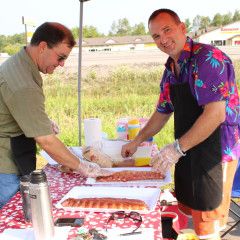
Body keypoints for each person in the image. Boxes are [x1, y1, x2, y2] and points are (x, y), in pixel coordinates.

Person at [121, 9, 239, 240]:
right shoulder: (171, 69)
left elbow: (215, 115)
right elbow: (162, 112)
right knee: (186, 214)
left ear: (182, 28)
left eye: (167, 30)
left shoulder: (208, 58)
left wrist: (176, 149)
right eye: (156, 36)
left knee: (207, 226)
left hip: (215, 154)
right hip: (186, 148)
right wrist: (137, 141)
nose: (163, 40)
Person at [0, 22, 108, 209]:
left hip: (13, 155)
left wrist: (39, 121)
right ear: (43, 47)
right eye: (60, 57)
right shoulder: (23, 83)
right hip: (6, 167)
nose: (62, 64)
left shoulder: (19, 63)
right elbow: (47, 141)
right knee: (12, 220)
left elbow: (13, 107)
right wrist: (82, 166)